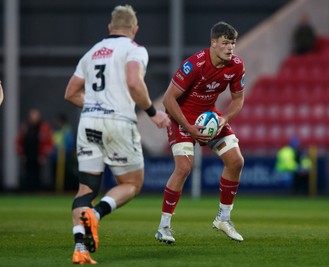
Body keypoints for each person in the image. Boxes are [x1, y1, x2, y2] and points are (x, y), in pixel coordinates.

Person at [64, 5, 170, 264]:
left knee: (86, 188)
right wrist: (153, 112)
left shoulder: (91, 53)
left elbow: (70, 93)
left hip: (88, 122)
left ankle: (80, 249)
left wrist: (94, 105)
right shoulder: (134, 50)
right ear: (135, 29)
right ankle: (97, 215)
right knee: (131, 183)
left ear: (110, 27)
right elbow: (134, 81)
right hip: (118, 122)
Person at [154, 21, 246, 245]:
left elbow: (238, 100)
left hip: (209, 117)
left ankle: (223, 219)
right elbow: (168, 99)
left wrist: (223, 119)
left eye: (232, 43)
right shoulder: (194, 64)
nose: (230, 47)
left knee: (236, 161)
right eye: (225, 43)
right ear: (213, 43)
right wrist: (189, 127)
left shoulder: (236, 65)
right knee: (184, 166)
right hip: (181, 117)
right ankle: (163, 227)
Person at [16, 109, 54, 191]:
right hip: (27, 155)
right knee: (28, 173)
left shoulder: (44, 127)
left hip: (38, 155)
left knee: (38, 174)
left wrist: (44, 155)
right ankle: (28, 190)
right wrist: (21, 153)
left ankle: (37, 190)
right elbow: (19, 141)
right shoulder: (25, 127)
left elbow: (49, 141)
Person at [51, 113, 77, 191]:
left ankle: (65, 190)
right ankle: (57, 189)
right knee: (55, 174)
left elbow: (69, 143)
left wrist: (63, 150)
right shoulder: (56, 130)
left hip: (65, 157)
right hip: (55, 157)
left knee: (66, 175)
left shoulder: (67, 130)